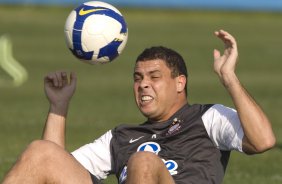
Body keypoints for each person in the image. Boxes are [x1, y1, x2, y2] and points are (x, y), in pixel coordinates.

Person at [2, 30, 276, 184]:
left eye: (154, 77)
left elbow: (263, 141)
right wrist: (59, 105)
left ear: (180, 83)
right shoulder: (121, 136)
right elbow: (54, 168)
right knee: (40, 152)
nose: (143, 85)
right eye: (138, 78)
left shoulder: (206, 117)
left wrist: (229, 77)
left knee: (143, 161)